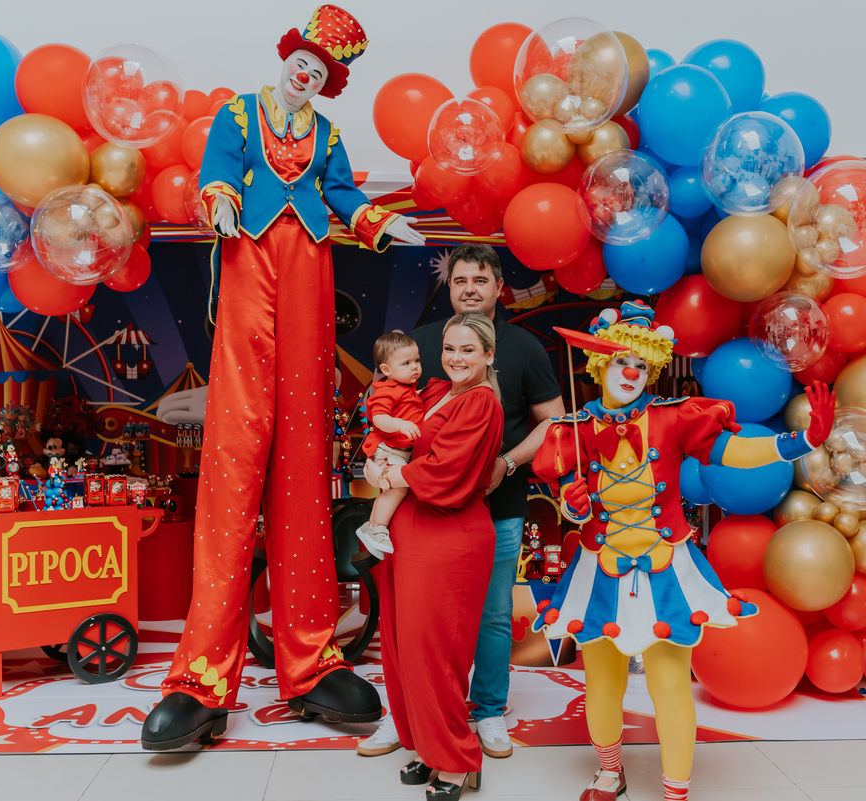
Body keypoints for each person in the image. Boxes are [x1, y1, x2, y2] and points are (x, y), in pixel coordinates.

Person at [141, 6, 427, 751]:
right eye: (303, 60)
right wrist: (223, 203)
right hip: (250, 264)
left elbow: (343, 195)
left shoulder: (326, 135)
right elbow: (215, 174)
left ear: (327, 84)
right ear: (288, 56)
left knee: (302, 465)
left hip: (310, 269)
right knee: (234, 461)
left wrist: (378, 223)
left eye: (320, 71)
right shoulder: (240, 113)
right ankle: (200, 676)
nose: (306, 74)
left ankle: (309, 660)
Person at [532, 301, 836, 801]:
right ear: (599, 366)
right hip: (598, 571)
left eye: (639, 365)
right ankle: (610, 772)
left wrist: (799, 441)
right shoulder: (575, 431)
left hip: (665, 568)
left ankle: (676, 789)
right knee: (601, 681)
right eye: (619, 361)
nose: (630, 372)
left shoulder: (673, 419)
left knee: (669, 682)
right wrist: (574, 504)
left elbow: (733, 453)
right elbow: (572, 503)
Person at [358, 243, 564, 759]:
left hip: (498, 503)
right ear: (448, 289)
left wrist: (506, 463)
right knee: (412, 617)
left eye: (479, 279)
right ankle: (404, 714)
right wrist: (376, 457)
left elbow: (553, 419)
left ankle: (489, 710)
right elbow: (384, 401)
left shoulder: (523, 346)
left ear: (499, 286)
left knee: (493, 614)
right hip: (422, 505)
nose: (469, 289)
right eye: (459, 281)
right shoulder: (424, 342)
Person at [363, 311, 505, 799]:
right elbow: (389, 434)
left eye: (468, 350)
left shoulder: (481, 402)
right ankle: (429, 747)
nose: (456, 358)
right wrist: (373, 457)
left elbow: (445, 471)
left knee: (436, 654)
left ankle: (458, 760)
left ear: (489, 354)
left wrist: (390, 476)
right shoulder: (433, 390)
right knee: (405, 649)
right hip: (410, 533)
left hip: (449, 536)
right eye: (449, 348)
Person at [356, 332, 424, 557]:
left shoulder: (407, 389)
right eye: (406, 363)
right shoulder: (386, 390)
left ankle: (371, 527)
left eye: (417, 360)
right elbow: (379, 419)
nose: (414, 367)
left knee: (394, 489)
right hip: (388, 448)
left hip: (400, 450)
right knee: (397, 488)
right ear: (386, 370)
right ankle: (377, 528)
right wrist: (400, 424)